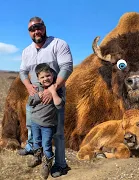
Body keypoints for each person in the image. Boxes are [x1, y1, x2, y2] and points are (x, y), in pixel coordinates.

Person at [18, 16, 73, 178]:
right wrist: (28, 86)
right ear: (29, 32)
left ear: (44, 27)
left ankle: (60, 164)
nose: (36, 31)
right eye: (32, 29)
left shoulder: (58, 44)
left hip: (54, 95)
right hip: (35, 97)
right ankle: (34, 151)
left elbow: (67, 67)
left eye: (39, 27)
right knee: (31, 124)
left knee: (57, 132)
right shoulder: (26, 51)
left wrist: (53, 88)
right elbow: (22, 72)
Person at [27, 63, 65, 179]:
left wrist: (53, 92)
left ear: (53, 75)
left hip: (48, 125)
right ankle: (38, 157)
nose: (45, 79)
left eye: (48, 75)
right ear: (38, 79)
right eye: (42, 77)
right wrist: (38, 96)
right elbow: (30, 102)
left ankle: (47, 164)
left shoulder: (57, 90)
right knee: (36, 141)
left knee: (46, 145)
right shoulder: (36, 88)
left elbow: (59, 105)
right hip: (35, 121)